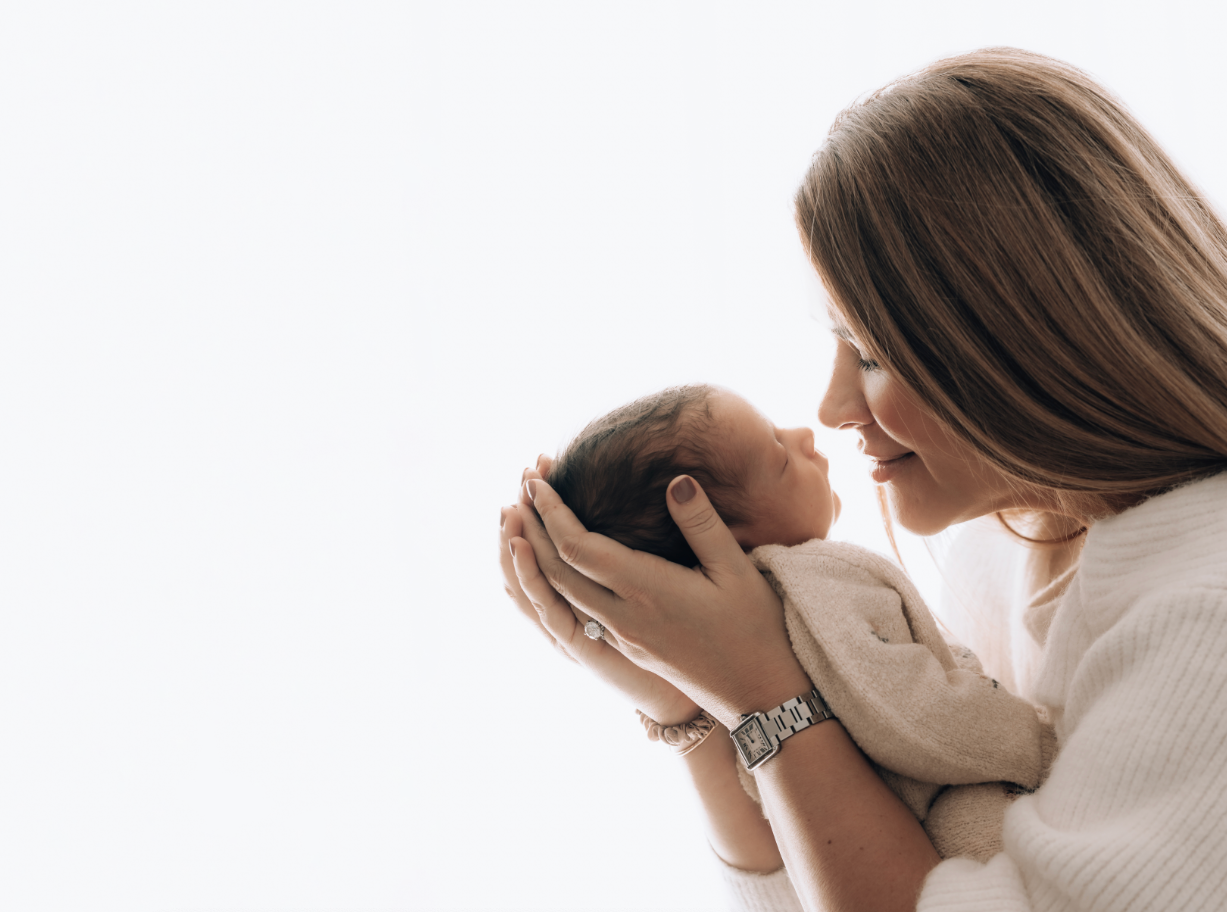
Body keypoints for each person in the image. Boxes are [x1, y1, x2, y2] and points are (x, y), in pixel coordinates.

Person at [497, 47, 1227, 912]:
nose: (834, 406)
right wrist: (691, 708)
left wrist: (763, 694)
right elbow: (838, 879)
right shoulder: (1005, 544)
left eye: (872, 352)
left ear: (1022, 335)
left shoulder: (1202, 616)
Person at [545, 382, 1052, 862]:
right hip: (956, 811)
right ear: (719, 538)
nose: (806, 434)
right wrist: (1036, 743)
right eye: (781, 458)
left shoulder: (745, 634)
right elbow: (908, 711)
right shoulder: (817, 583)